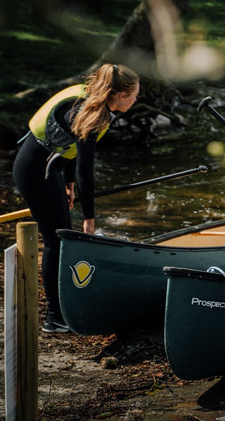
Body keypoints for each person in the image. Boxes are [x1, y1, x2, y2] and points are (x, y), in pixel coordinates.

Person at [13, 64, 140, 334]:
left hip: (50, 168)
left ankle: (60, 308)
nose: (137, 100)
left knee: (60, 236)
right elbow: (86, 173)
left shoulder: (91, 101)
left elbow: (68, 148)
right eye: (135, 95)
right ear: (119, 95)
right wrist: (90, 220)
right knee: (55, 241)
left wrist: (67, 184)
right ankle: (54, 317)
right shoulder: (93, 115)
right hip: (35, 171)